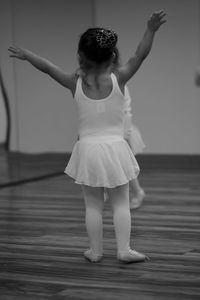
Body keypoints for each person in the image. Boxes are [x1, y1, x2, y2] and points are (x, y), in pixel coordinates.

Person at [8, 10, 166, 263]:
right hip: (115, 149)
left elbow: (48, 68)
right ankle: (124, 250)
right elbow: (140, 54)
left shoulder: (74, 82)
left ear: (81, 57)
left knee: (92, 205)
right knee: (120, 203)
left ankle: (95, 251)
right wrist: (151, 29)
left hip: (88, 150)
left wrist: (28, 56)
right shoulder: (119, 79)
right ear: (112, 57)